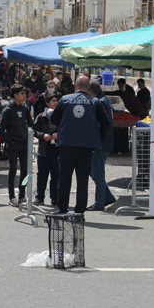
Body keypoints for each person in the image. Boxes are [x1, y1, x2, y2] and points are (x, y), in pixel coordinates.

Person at [50, 76, 110, 214]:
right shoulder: (95, 102)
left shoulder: (65, 100)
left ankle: (62, 209)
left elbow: (53, 119)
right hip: (86, 146)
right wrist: (98, 140)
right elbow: (106, 123)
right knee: (82, 180)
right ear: (88, 88)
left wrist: (65, 127)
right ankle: (79, 211)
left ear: (75, 86)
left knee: (64, 178)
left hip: (67, 144)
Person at [0, 84, 34, 207]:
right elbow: (1, 130)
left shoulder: (25, 109)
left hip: (24, 143)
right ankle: (11, 197)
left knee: (25, 170)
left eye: (25, 93)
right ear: (15, 95)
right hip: (13, 144)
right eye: (22, 93)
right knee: (13, 170)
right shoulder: (7, 110)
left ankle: (22, 195)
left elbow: (31, 124)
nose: (25, 96)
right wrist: (10, 141)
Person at [87, 81, 116, 211]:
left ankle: (99, 203)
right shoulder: (103, 100)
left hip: (101, 144)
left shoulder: (100, 102)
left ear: (91, 92)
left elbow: (101, 125)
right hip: (103, 143)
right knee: (93, 172)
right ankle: (107, 196)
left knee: (97, 174)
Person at [33, 90, 60, 206]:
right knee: (42, 175)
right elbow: (34, 131)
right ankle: (40, 197)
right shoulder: (41, 117)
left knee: (56, 175)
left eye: (57, 101)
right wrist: (42, 136)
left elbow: (66, 130)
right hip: (44, 150)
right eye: (53, 101)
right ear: (47, 103)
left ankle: (55, 197)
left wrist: (59, 135)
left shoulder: (61, 116)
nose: (55, 103)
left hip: (57, 150)